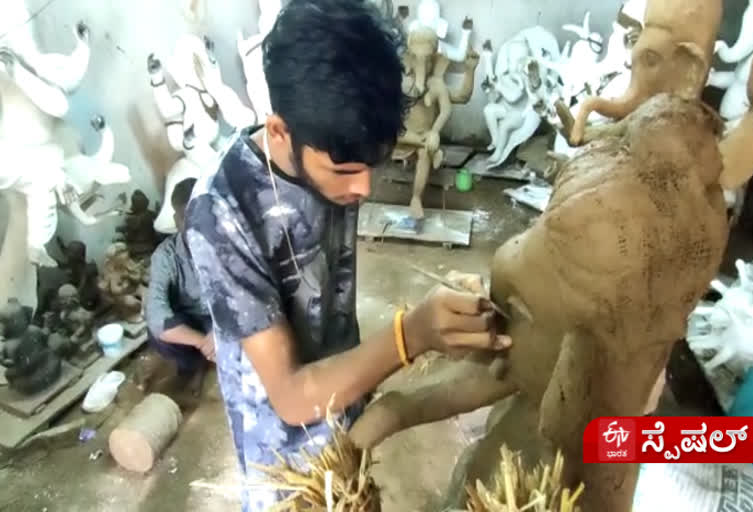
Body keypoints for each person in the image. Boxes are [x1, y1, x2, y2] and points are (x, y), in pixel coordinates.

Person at [184, 1, 511, 509]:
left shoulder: (337, 150)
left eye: (371, 165)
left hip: (347, 403)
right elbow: (291, 397)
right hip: (285, 459)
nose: (363, 188)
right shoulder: (222, 213)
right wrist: (413, 333)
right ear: (279, 131)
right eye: (343, 171)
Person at [144, 178, 213, 396]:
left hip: (222, 319)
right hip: (191, 323)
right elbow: (156, 316)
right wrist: (203, 341)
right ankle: (196, 364)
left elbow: (243, 293)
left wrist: (219, 331)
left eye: (198, 215)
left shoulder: (227, 242)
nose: (193, 225)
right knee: (158, 335)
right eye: (185, 217)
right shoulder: (165, 256)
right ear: (176, 219)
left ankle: (217, 355)